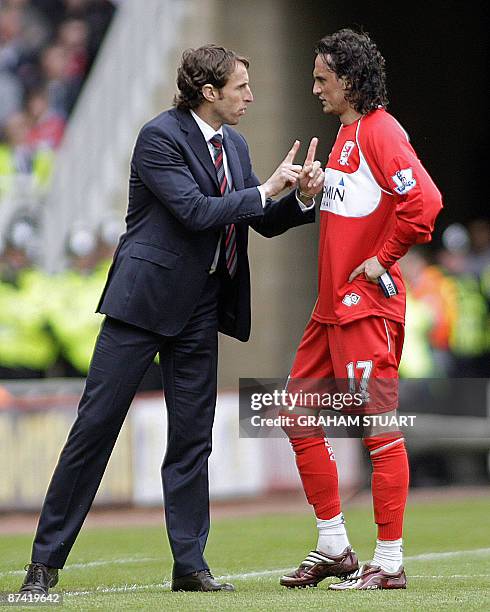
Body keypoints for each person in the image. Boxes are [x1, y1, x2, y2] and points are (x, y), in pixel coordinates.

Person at [19, 44, 324, 594]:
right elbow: (195, 212)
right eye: (241, 88)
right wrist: (264, 189)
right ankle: (44, 563)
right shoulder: (159, 136)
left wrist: (299, 199)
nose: (251, 97)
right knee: (95, 429)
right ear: (209, 92)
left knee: (191, 439)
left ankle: (190, 566)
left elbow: (260, 219)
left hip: (201, 307)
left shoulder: (234, 142)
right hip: (141, 306)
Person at [279, 29, 442, 591]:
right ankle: (334, 546)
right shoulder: (347, 133)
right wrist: (311, 191)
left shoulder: (379, 130)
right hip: (329, 311)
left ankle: (390, 561)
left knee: (378, 428)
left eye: (323, 77)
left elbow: (425, 201)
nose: (315, 86)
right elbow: (355, 211)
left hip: (365, 310)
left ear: (349, 80)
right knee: (296, 415)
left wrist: (381, 261)